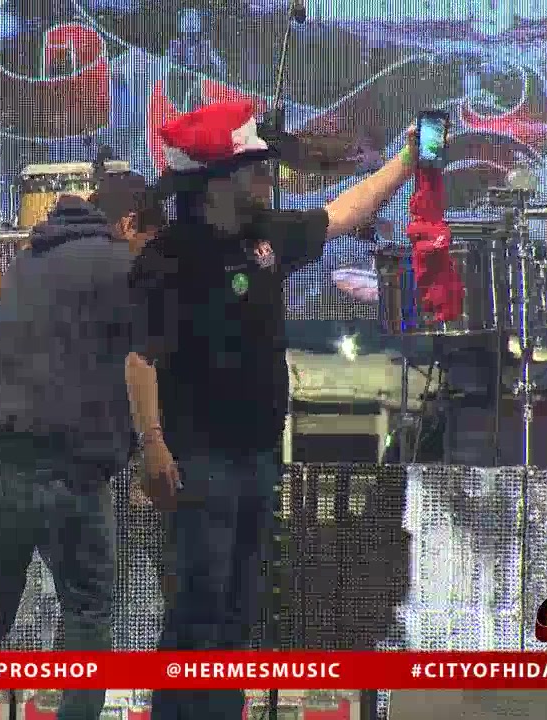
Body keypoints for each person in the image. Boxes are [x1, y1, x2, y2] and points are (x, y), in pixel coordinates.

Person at [124, 100, 417, 719]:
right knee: (198, 613)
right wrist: (152, 443)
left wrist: (409, 159)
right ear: (217, 182)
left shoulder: (267, 237)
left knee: (237, 614)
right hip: (198, 461)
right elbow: (141, 359)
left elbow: (347, 209)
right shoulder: (167, 258)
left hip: (257, 456)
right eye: (255, 167)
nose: (267, 176)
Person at [0, 172, 164, 720]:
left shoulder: (29, 261)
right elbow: (144, 361)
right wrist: (148, 443)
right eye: (149, 242)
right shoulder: (121, 265)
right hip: (71, 469)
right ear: (130, 223)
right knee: (87, 612)